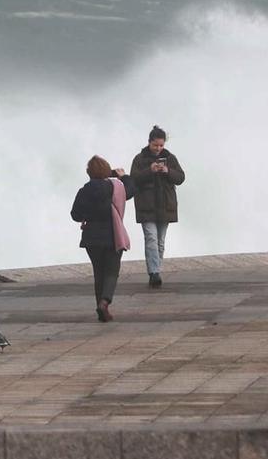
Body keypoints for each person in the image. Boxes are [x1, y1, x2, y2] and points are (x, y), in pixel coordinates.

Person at [70, 155, 131, 323]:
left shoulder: (84, 191)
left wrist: (86, 215)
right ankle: (104, 303)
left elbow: (75, 214)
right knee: (112, 271)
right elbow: (131, 190)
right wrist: (123, 176)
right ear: (106, 171)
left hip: (91, 237)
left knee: (99, 273)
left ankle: (100, 308)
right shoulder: (115, 187)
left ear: (89, 173)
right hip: (112, 235)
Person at [127, 126, 185, 288]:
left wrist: (167, 171)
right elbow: (133, 179)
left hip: (165, 205)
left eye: (161, 145)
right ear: (149, 143)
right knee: (151, 238)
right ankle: (154, 272)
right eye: (155, 145)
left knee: (160, 241)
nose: (158, 149)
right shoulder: (139, 159)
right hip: (146, 205)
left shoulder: (170, 158)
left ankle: (156, 270)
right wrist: (149, 170)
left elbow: (181, 177)